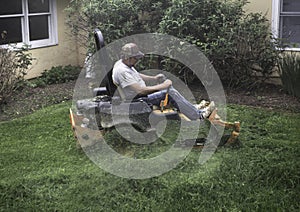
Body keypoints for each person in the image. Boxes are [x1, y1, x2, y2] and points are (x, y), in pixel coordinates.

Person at [112, 43, 215, 120]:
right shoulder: (122, 71)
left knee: (169, 90)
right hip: (139, 101)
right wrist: (163, 85)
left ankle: (192, 109)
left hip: (139, 97)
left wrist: (154, 78)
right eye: (135, 58)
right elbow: (141, 91)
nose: (138, 60)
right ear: (128, 57)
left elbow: (136, 75)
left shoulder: (124, 64)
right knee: (169, 92)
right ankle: (199, 115)